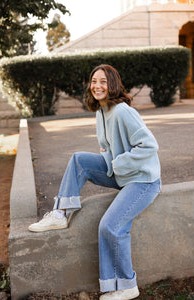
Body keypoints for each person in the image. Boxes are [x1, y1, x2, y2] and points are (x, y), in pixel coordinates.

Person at [28, 64, 161, 300]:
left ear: (113, 85)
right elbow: (109, 147)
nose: (97, 86)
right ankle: (60, 214)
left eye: (103, 81)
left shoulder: (122, 111)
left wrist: (117, 163)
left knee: (110, 226)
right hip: (122, 174)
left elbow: (149, 146)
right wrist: (108, 156)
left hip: (143, 180)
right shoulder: (100, 112)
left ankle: (127, 286)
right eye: (93, 81)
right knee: (80, 160)